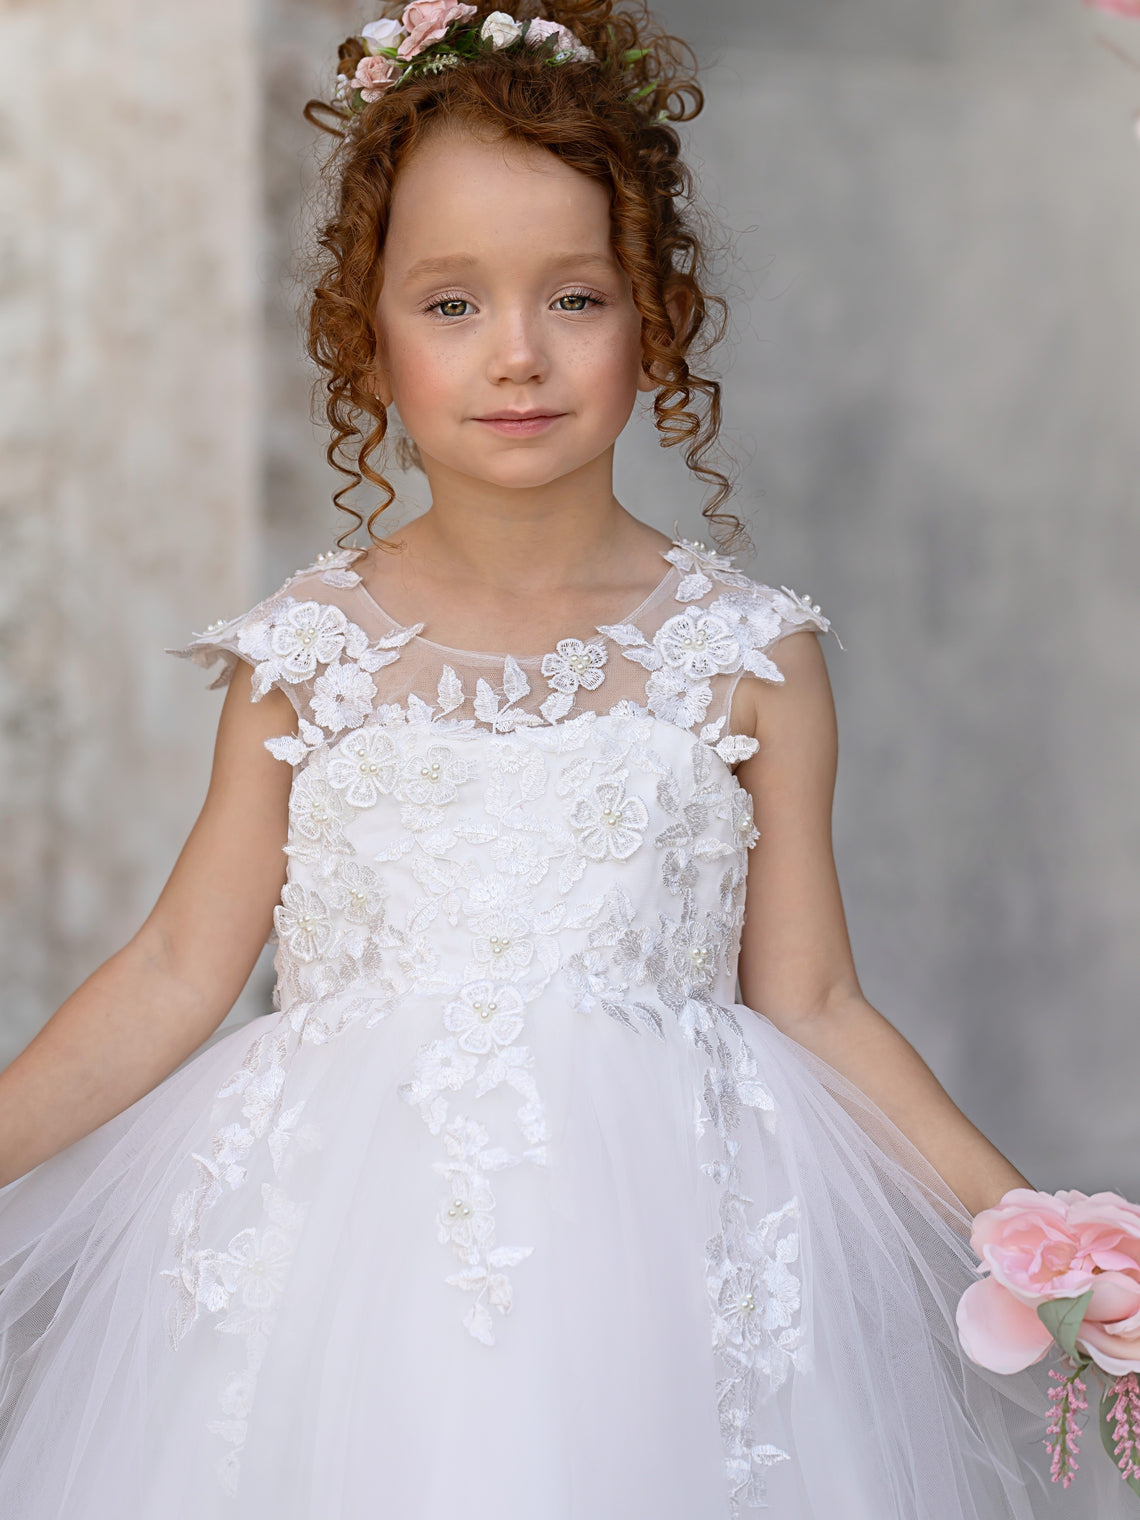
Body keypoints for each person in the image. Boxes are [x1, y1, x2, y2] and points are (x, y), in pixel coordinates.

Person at [0, 4, 1125, 1516]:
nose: (516, 355)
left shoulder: (747, 654)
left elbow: (813, 998)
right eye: (451, 303)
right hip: (346, 1263)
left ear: (652, 312)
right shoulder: (304, 655)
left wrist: (1042, 1233)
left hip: (663, 1256)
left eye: (575, 298)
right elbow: (171, 973)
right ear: (368, 326)